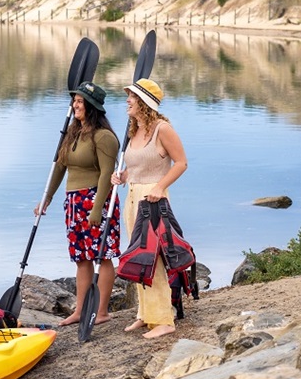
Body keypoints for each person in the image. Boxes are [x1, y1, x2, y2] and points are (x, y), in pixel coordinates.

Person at [36, 82, 121, 327]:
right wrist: (47, 198)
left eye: (80, 101)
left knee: (102, 256)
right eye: (74, 101)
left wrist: (97, 209)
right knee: (81, 258)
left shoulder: (104, 137)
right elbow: (60, 166)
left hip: (97, 200)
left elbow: (107, 174)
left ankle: (102, 311)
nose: (75, 105)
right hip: (73, 203)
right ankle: (80, 310)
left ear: (92, 107)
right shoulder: (72, 134)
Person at [112, 78, 188, 339]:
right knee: (138, 257)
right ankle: (145, 315)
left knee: (153, 258)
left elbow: (181, 163)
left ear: (143, 102)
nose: (127, 101)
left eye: (131, 96)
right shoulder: (134, 131)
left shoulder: (162, 129)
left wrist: (159, 187)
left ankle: (164, 319)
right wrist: (122, 177)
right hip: (133, 197)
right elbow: (136, 167)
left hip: (154, 201)